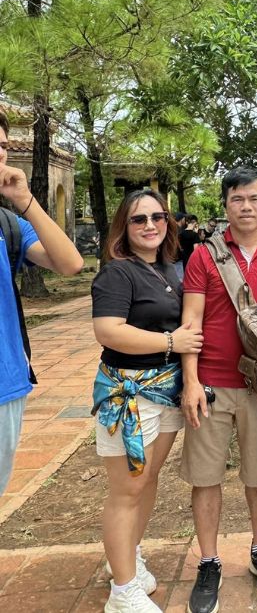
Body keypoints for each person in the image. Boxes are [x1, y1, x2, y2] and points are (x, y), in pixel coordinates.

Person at [180, 166, 257, 613]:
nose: (246, 207)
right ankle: (209, 560)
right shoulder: (204, 256)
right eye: (237, 199)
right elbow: (190, 323)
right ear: (225, 205)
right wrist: (190, 382)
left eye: (254, 199)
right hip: (210, 383)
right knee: (206, 478)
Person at [91, 189, 204, 613]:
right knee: (127, 490)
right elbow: (108, 331)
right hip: (128, 394)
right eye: (139, 219)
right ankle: (122, 592)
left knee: (147, 481)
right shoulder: (117, 274)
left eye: (158, 217)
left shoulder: (171, 270)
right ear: (124, 226)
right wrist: (170, 340)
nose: (151, 225)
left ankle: (127, 557)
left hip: (165, 390)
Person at [0, 110, 84, 496]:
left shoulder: (9, 224)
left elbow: (70, 263)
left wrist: (25, 199)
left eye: (2, 147)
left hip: (6, 380)